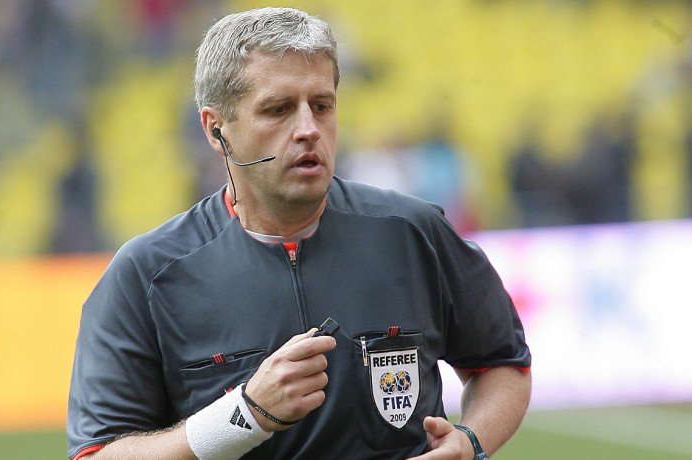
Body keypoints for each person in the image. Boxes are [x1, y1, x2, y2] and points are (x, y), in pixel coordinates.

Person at [67, 7, 531, 460]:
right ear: (216, 130)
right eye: (279, 109)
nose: (308, 129)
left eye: (321, 106)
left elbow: (504, 363)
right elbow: (96, 453)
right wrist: (243, 416)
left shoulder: (414, 232)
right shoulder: (147, 274)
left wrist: (471, 441)